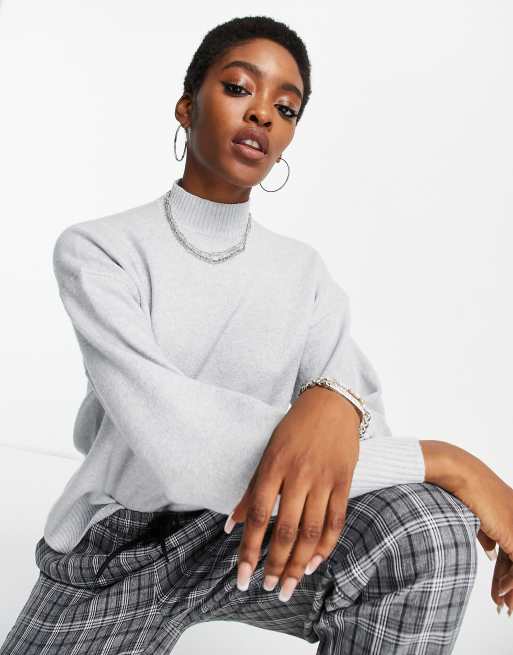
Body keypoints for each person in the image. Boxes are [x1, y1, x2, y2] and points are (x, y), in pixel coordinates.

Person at [2, 14, 511, 655]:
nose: (263, 114)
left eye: (286, 107)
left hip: (259, 527)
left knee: (430, 530)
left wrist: (331, 402)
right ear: (186, 107)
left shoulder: (304, 274)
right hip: (121, 545)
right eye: (239, 88)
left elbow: (360, 435)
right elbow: (181, 448)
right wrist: (448, 462)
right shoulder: (99, 251)